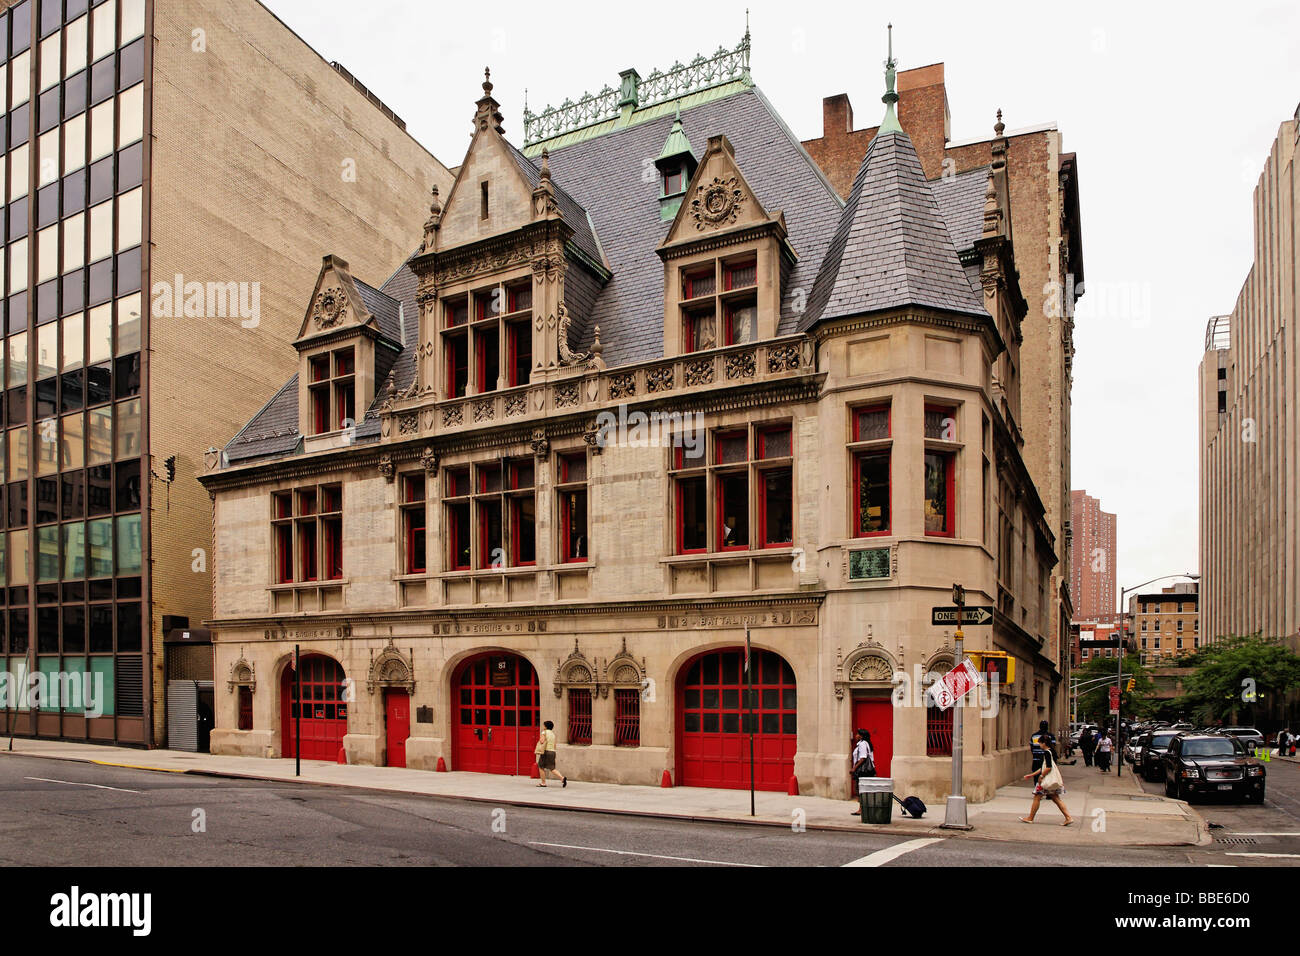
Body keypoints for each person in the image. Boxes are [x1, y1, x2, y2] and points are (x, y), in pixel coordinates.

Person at [1021, 747, 1074, 826]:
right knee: (1056, 798)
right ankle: (1068, 817)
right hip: (1051, 781)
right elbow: (1044, 767)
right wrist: (1031, 775)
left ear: (1043, 743)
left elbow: (1048, 767)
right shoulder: (1052, 751)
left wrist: (1041, 776)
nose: (1039, 745)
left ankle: (1030, 818)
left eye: (1040, 743)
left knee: (1037, 797)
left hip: (1046, 781)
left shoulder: (1046, 752)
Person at [848, 728, 875, 815]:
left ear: (861, 736)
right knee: (863, 789)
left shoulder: (862, 744)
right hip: (867, 771)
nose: (855, 736)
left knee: (860, 789)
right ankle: (863, 808)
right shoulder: (866, 744)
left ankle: (861, 809)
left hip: (863, 771)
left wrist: (854, 768)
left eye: (857, 734)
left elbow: (863, 758)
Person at [534, 720, 566, 788]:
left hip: (546, 751)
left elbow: (542, 741)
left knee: (540, 766)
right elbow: (554, 745)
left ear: (546, 726)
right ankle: (562, 778)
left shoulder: (544, 732)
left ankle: (543, 783)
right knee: (552, 768)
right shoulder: (553, 734)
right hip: (552, 752)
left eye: (544, 725)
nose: (543, 727)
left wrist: (540, 740)